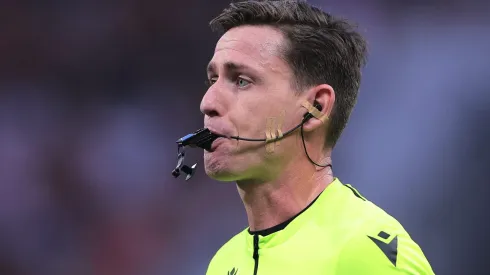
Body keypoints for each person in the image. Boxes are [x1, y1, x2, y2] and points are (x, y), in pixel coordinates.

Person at [200, 1, 434, 274]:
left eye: (242, 80)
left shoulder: (361, 248)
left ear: (315, 109)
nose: (208, 102)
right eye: (213, 80)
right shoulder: (224, 262)